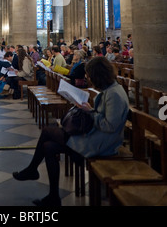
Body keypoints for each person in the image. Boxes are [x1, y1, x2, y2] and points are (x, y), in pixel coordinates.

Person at [12, 56, 129, 207]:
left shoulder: (115, 94)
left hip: (103, 144)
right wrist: (90, 110)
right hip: (96, 136)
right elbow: (105, 118)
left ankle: (32, 170)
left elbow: (109, 126)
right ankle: (53, 197)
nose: (88, 78)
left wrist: (90, 112)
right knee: (48, 147)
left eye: (89, 75)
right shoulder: (110, 89)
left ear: (98, 75)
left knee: (48, 132)